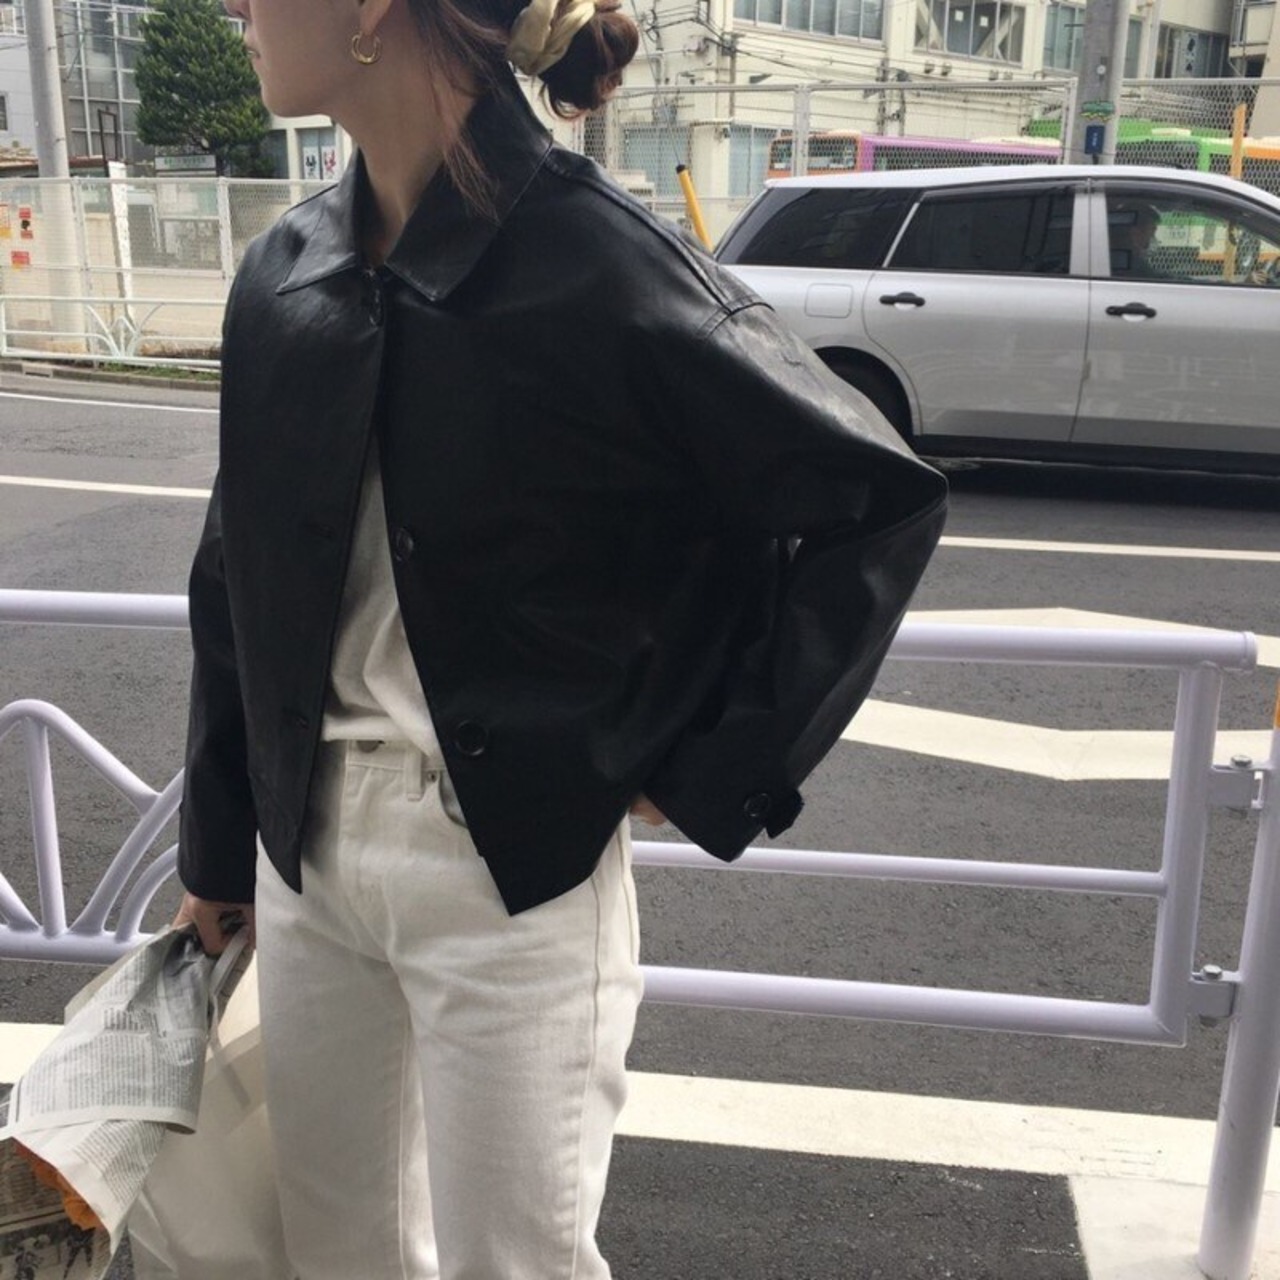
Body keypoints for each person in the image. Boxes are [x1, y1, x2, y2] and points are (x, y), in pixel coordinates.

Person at [171, 0, 948, 1271]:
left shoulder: (600, 264)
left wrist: (702, 767)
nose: (239, 11)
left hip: (507, 868)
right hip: (302, 856)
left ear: (372, 12)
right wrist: (217, 843)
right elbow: (234, 579)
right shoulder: (283, 273)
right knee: (333, 1250)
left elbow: (873, 501)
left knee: (515, 1258)